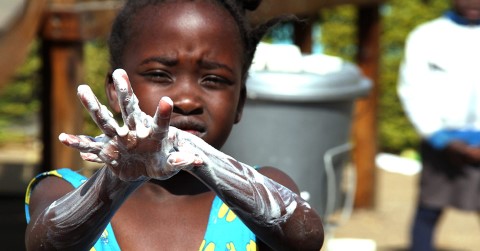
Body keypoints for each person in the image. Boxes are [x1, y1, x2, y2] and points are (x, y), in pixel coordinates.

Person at [24, 0, 325, 250]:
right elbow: (47, 243)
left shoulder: (262, 191)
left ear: (240, 103)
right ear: (116, 92)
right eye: (159, 75)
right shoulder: (61, 189)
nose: (186, 99)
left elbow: (306, 237)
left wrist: (197, 153)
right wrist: (117, 180)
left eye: (214, 80)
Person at [397, 1, 480, 250]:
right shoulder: (426, 36)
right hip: (441, 140)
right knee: (429, 209)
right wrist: (441, 139)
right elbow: (411, 90)